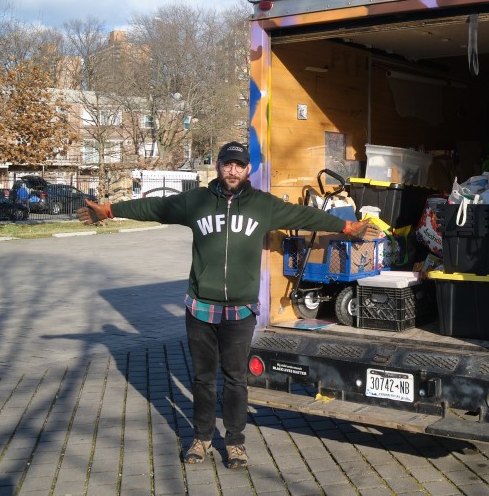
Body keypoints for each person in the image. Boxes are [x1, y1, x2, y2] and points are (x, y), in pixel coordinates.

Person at [76, 141, 381, 469]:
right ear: (219, 166)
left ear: (248, 169)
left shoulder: (263, 205)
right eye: (227, 164)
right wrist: (109, 210)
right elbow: (156, 208)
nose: (233, 170)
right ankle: (202, 437)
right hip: (201, 308)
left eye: (239, 165)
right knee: (203, 379)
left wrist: (347, 227)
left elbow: (306, 215)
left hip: (240, 310)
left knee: (235, 378)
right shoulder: (196, 202)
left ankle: (235, 442)